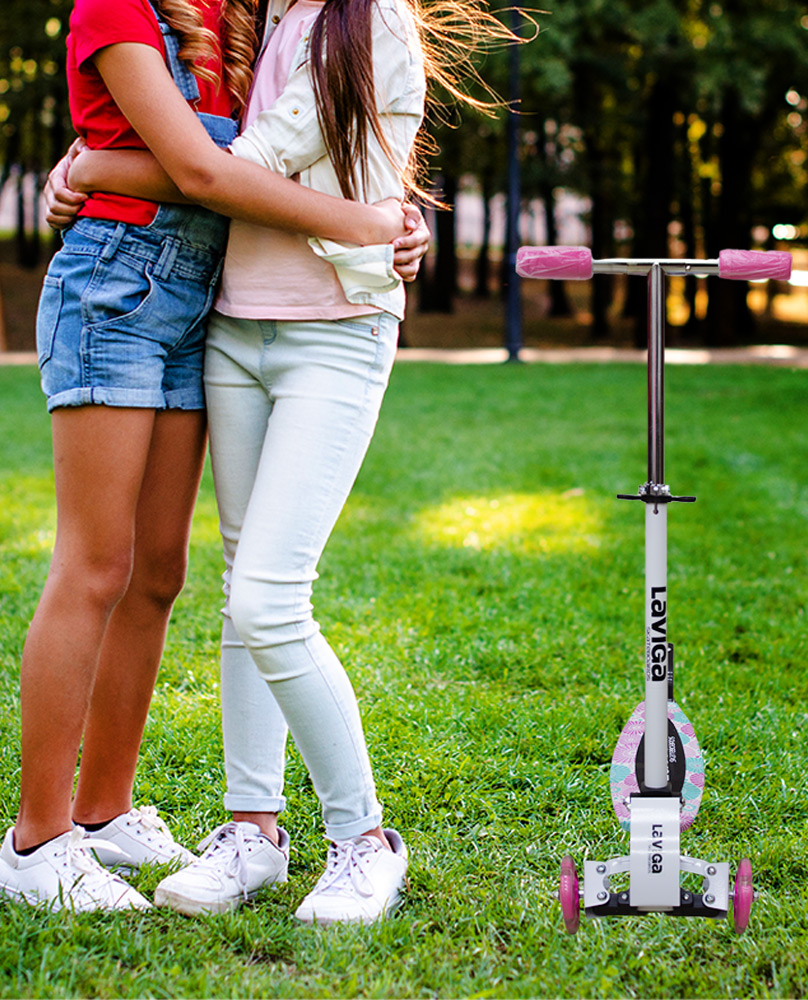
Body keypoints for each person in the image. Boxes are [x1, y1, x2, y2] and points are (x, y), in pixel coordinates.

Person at [40, 0, 520, 924]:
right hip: (230, 327)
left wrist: (96, 168)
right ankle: (252, 831)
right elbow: (206, 165)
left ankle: (364, 842)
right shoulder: (254, 17)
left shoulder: (369, 17)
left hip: (333, 332)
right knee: (237, 594)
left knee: (269, 594)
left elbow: (232, 167)